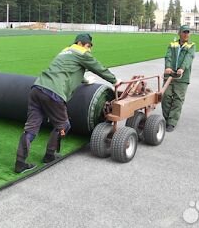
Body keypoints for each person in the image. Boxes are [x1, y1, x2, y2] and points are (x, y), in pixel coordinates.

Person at [14, 33, 120, 173]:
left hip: (37, 89)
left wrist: (84, 80)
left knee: (31, 128)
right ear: (81, 43)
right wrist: (115, 80)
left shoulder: (65, 51)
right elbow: (98, 67)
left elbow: (65, 70)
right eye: (88, 46)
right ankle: (50, 155)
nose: (89, 50)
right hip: (53, 93)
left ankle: (20, 163)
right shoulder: (82, 53)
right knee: (63, 125)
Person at [161, 25, 196, 132]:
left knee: (178, 99)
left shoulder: (191, 46)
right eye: (184, 32)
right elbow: (168, 56)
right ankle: (167, 118)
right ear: (179, 33)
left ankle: (172, 122)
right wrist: (167, 67)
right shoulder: (173, 44)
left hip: (182, 77)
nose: (186, 34)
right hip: (169, 75)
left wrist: (182, 68)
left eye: (188, 32)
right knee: (165, 96)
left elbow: (188, 58)